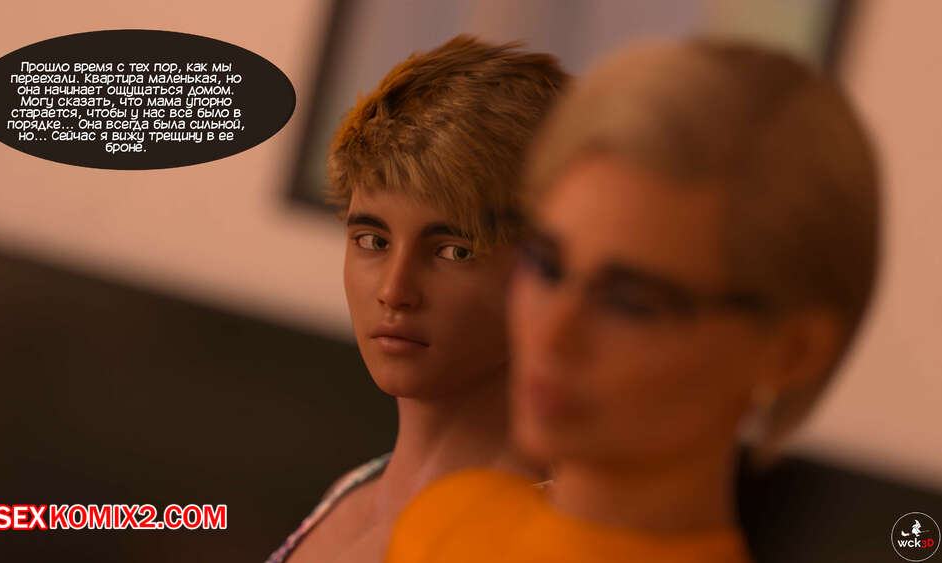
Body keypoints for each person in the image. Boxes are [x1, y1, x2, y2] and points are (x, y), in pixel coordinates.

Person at [387, 37, 879, 563]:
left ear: (791, 352)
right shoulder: (443, 523)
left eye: (630, 302)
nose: (552, 334)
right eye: (546, 267)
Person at [266, 35, 567, 563]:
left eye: (454, 251)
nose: (394, 291)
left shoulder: (536, 542)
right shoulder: (352, 491)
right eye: (373, 241)